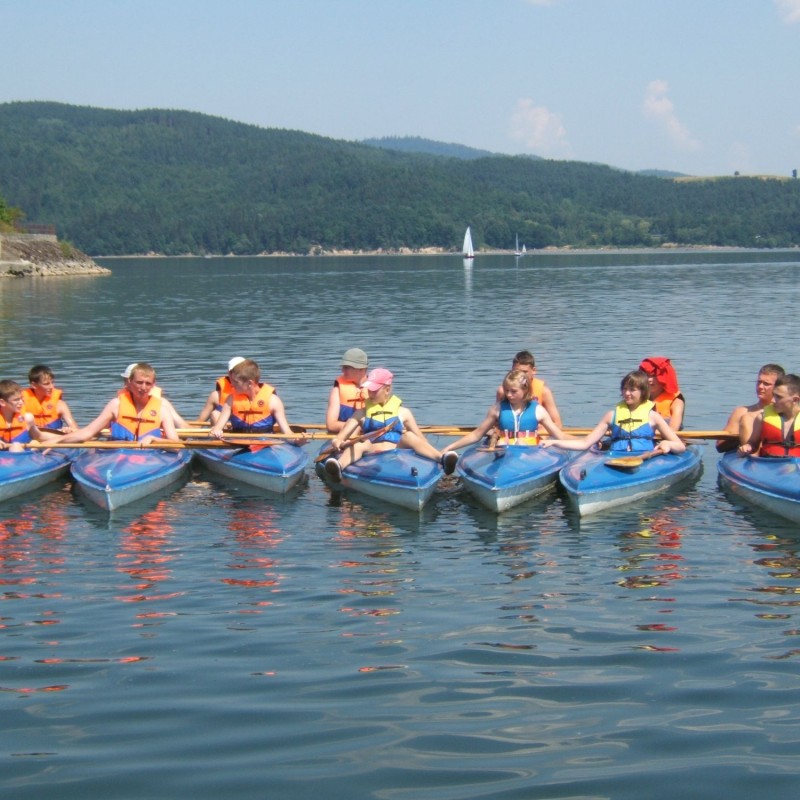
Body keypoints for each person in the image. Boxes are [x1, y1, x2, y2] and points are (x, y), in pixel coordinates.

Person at [323, 367, 458, 480]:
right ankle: (338, 467)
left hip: (397, 447)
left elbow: (420, 438)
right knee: (359, 444)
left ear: (387, 389)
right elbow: (340, 437)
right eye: (369, 390)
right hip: (372, 448)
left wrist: (429, 456)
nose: (370, 393)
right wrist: (338, 443)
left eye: (374, 390)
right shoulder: (361, 413)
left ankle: (442, 460)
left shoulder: (404, 413)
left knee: (410, 436)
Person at [542, 370, 686, 456]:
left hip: (644, 458)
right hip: (615, 458)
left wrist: (667, 443)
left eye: (632, 390)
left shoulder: (653, 417)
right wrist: (554, 442)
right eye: (624, 389)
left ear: (643, 392)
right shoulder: (611, 416)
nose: (627, 394)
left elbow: (680, 446)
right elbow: (585, 443)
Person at [443, 369, 569, 454]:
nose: (509, 395)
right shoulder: (497, 408)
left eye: (513, 391)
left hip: (530, 451)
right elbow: (477, 434)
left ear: (525, 390)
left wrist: (585, 445)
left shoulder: (538, 410)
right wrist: (450, 447)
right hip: (504, 449)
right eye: (506, 390)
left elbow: (560, 436)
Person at [59, 362, 181, 443]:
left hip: (150, 455)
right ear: (130, 382)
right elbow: (88, 432)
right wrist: (56, 441)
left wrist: (154, 439)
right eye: (139, 382)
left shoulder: (161, 409)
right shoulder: (116, 405)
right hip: (117, 454)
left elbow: (176, 445)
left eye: (148, 383)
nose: (143, 388)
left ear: (153, 385)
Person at [209, 358, 299, 439]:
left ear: (250, 383)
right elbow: (217, 428)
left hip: (266, 444)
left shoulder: (273, 401)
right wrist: (216, 431)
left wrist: (297, 440)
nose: (232, 385)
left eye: (236, 382)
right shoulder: (231, 399)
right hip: (237, 442)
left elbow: (287, 433)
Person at [716, 363, 785, 453]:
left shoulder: (789, 412)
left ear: (778, 387)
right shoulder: (742, 412)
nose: (760, 387)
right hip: (752, 459)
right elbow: (720, 446)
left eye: (766, 384)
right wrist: (744, 436)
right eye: (759, 382)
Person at [495, 350, 563, 428]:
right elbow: (495, 421)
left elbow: (557, 424)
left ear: (534, 371)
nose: (521, 376)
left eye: (524, 372)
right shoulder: (503, 391)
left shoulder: (544, 391)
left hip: (535, 435)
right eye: (516, 372)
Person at [738, 373, 800, 457]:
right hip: (768, 465)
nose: (773, 400)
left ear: (795, 400)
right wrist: (747, 447)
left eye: (779, 397)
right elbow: (753, 444)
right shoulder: (762, 417)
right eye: (773, 395)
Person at [120, 362, 190, 429]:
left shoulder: (161, 403)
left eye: (146, 383)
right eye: (125, 381)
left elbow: (182, 426)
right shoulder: (118, 403)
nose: (125, 384)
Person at [0, 379, 61, 451]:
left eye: (21, 399)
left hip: (20, 455)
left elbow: (39, 436)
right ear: (2, 402)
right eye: (16, 400)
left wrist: (66, 437)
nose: (21, 403)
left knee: (17, 447)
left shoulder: (27, 418)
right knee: (16, 447)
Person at [22, 364, 78, 432]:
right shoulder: (21, 403)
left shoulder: (59, 404)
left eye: (52, 382)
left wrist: (69, 430)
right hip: (30, 439)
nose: (52, 387)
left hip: (54, 438)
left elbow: (75, 429)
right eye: (46, 384)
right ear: (34, 385)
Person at [325, 348, 369, 433]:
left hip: (370, 437)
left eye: (346, 367)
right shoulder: (337, 389)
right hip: (342, 437)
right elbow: (331, 425)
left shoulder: (377, 388)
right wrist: (356, 427)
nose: (342, 370)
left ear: (361, 369)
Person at [638, 356, 684, 430]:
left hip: (665, 439)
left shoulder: (677, 401)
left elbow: (673, 429)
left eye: (654, 376)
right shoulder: (637, 397)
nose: (649, 380)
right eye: (647, 375)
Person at [197, 357, 246, 424]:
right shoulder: (216, 396)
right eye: (236, 371)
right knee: (215, 415)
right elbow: (199, 424)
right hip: (223, 430)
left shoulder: (256, 391)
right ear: (229, 373)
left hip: (249, 429)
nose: (239, 375)